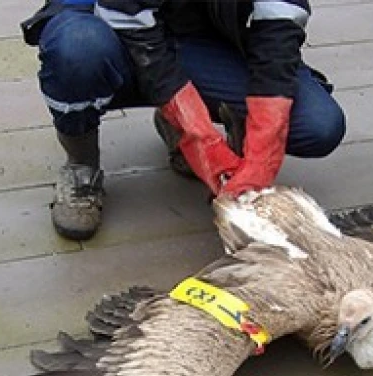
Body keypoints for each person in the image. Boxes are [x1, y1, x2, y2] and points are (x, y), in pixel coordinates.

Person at [21, 0, 346, 241]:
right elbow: (130, 23)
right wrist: (200, 139)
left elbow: (278, 34)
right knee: (77, 50)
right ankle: (82, 165)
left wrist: (261, 159)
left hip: (204, 40)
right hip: (111, 31)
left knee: (317, 124)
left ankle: (215, 135)